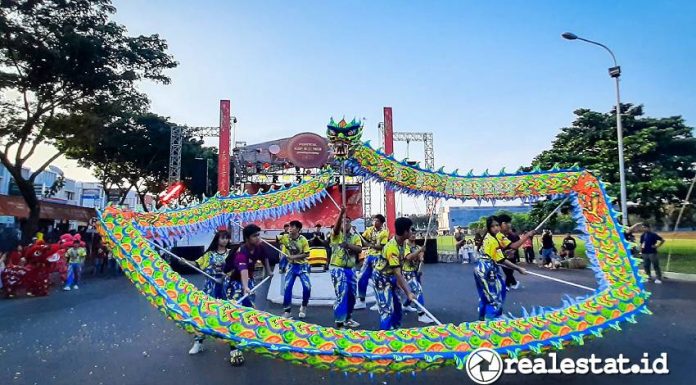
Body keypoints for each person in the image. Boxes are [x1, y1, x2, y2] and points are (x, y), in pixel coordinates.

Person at [222, 224, 273, 366]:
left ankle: (248, 338)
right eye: (255, 236)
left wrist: (268, 271)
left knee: (250, 311)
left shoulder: (259, 247)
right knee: (235, 314)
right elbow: (243, 270)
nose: (258, 238)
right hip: (233, 281)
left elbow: (265, 258)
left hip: (247, 280)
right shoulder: (241, 252)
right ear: (247, 238)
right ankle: (234, 349)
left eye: (259, 234)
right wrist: (245, 287)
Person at [475, 216, 529, 321]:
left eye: (497, 225)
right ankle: (491, 319)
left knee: (488, 294)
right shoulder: (492, 240)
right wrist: (518, 269)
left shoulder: (495, 236)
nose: (496, 228)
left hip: (484, 267)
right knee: (495, 293)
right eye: (493, 226)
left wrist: (505, 253)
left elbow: (502, 253)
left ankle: (483, 318)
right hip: (487, 269)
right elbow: (502, 258)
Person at [189, 229, 232, 355]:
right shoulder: (209, 255)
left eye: (227, 238)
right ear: (217, 239)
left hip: (226, 288)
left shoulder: (231, 253)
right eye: (222, 238)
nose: (225, 240)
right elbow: (197, 263)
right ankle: (198, 342)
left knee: (228, 315)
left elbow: (237, 268)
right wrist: (186, 261)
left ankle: (234, 347)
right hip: (210, 287)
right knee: (203, 314)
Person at [372, 217, 418, 330]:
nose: (412, 232)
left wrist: (399, 284)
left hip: (391, 277)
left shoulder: (402, 244)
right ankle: (385, 338)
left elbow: (399, 269)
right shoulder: (392, 248)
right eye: (410, 230)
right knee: (386, 310)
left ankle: (396, 332)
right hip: (381, 280)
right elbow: (398, 273)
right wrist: (408, 292)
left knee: (397, 307)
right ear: (405, 232)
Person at [328, 207, 363, 328]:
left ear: (350, 224)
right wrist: (341, 213)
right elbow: (336, 229)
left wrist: (348, 245)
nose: (345, 223)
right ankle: (339, 323)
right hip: (337, 268)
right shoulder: (336, 235)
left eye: (347, 221)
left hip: (351, 269)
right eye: (343, 221)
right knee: (342, 293)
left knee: (352, 295)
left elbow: (359, 249)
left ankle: (348, 318)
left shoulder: (355, 237)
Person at [355, 214, 389, 310]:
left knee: (377, 280)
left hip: (378, 258)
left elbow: (382, 246)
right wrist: (356, 232)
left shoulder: (384, 233)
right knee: (362, 278)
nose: (375, 222)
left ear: (382, 223)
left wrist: (369, 244)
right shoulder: (369, 229)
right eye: (374, 220)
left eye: (377, 221)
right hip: (369, 256)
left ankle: (379, 302)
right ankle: (361, 300)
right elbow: (363, 238)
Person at [279, 220, 311, 319]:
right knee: (287, 288)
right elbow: (272, 239)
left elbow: (307, 254)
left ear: (298, 229)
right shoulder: (285, 237)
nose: (290, 228)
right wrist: (259, 238)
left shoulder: (303, 240)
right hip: (292, 267)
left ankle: (304, 306)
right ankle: (287, 311)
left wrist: (294, 257)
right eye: (290, 226)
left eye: (292, 227)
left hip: (303, 266)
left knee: (307, 288)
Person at [401, 232, 434, 324]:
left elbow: (420, 259)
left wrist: (421, 256)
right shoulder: (404, 245)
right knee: (418, 290)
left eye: (414, 233)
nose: (413, 235)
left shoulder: (418, 247)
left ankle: (405, 305)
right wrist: (420, 251)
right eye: (411, 233)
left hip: (415, 272)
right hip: (406, 272)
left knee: (413, 291)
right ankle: (421, 314)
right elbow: (408, 258)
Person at [496, 215, 528, 290]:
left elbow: (515, 245)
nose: (510, 225)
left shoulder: (513, 236)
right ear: (503, 224)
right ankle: (512, 283)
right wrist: (527, 235)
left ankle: (508, 285)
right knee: (507, 271)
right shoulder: (498, 236)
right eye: (509, 223)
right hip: (500, 257)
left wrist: (512, 251)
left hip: (510, 256)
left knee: (508, 271)